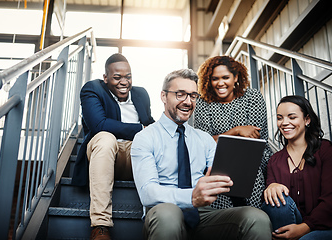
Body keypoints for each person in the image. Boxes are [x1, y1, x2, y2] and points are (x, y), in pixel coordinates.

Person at [131, 69, 272, 240]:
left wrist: (224, 178)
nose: (187, 102)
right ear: (163, 96)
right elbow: (147, 192)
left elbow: (218, 174)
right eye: (180, 94)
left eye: (192, 96)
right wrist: (191, 197)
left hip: (203, 215)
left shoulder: (204, 139)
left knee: (256, 218)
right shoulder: (145, 137)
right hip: (164, 210)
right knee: (168, 215)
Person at [71, 53, 155, 240]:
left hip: (135, 156)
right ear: (106, 78)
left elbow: (151, 123)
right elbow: (99, 125)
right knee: (105, 137)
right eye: (117, 77)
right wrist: (141, 129)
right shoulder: (92, 89)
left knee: (155, 145)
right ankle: (100, 226)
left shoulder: (141, 94)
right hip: (106, 155)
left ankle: (157, 220)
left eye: (128, 76)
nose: (124, 82)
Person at [194, 55, 272, 208]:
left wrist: (218, 138)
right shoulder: (203, 103)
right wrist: (237, 131)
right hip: (217, 160)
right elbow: (202, 142)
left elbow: (253, 138)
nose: (220, 83)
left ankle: (253, 216)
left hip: (253, 157)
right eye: (215, 78)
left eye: (225, 77)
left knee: (250, 170)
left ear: (236, 77)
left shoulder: (252, 97)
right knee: (216, 174)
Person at [261, 95, 332, 240]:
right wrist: (271, 186)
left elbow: (330, 198)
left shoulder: (325, 149)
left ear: (307, 120)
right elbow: (272, 202)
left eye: (292, 117)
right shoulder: (274, 161)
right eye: (280, 118)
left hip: (324, 226)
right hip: (289, 223)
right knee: (276, 201)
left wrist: (304, 228)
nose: (284, 123)